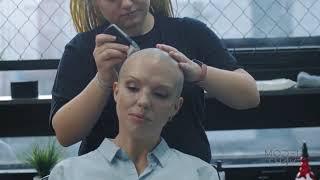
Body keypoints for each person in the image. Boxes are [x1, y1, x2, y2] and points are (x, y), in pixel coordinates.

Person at [50, 0, 260, 163]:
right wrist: (102, 79)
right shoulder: (84, 49)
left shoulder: (190, 33)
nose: (127, 4)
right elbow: (65, 134)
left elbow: (249, 95)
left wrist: (199, 73)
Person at [49, 48, 220, 180]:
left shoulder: (200, 174)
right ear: (116, 91)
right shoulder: (68, 174)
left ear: (175, 107)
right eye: (132, 88)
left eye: (160, 94)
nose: (143, 101)